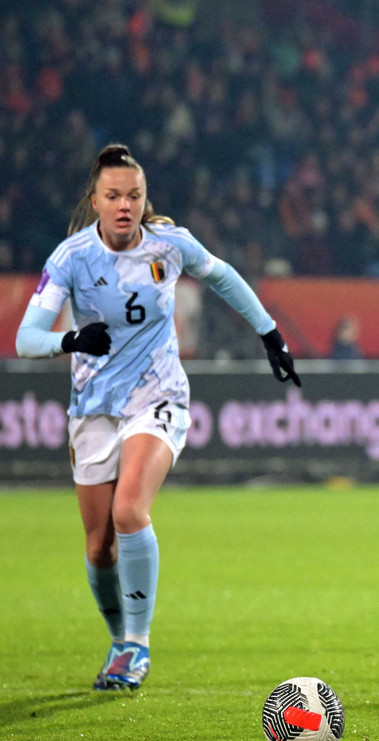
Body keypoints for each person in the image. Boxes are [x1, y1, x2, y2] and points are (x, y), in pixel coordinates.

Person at [15, 144, 300, 691]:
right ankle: (120, 639)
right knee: (99, 546)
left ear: (145, 199)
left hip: (157, 397)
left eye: (134, 195)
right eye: (114, 195)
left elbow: (224, 277)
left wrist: (269, 333)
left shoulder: (170, 245)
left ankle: (138, 647)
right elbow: (27, 338)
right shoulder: (70, 258)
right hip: (93, 408)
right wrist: (70, 339)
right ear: (95, 200)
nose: (125, 205)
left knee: (129, 511)